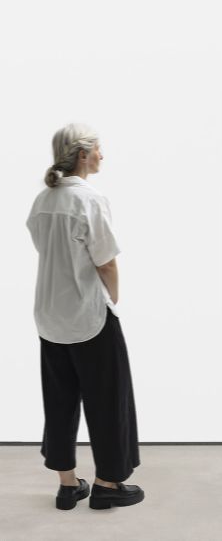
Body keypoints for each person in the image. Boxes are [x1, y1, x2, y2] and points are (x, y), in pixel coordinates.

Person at [26, 124, 143, 510]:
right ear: (81, 155)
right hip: (88, 316)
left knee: (59, 401)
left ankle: (67, 485)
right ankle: (108, 484)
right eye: (97, 150)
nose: (101, 156)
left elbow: (45, 248)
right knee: (109, 401)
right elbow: (105, 261)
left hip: (49, 316)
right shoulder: (89, 200)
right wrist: (115, 295)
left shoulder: (43, 200)